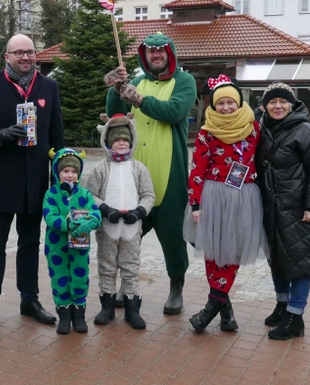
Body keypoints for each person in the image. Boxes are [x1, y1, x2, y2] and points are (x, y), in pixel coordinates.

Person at [0, 34, 65, 331]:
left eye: (30, 52)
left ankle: (30, 299)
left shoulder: (48, 86)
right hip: (1, 179)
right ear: (7, 56)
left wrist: (60, 177)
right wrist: (0, 135)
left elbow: (57, 135)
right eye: (19, 53)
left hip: (34, 182)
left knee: (29, 243)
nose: (26, 58)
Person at [104, 33, 197, 316]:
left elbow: (174, 111)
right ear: (144, 56)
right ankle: (126, 283)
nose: (156, 56)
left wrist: (140, 99)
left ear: (170, 53)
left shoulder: (184, 81)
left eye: (161, 51)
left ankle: (176, 287)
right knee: (127, 235)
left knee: (172, 235)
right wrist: (116, 89)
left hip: (169, 171)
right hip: (134, 174)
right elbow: (115, 116)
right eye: (150, 52)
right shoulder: (137, 81)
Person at [183, 75, 267, 333]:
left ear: (240, 103)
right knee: (215, 253)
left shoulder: (255, 129)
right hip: (214, 197)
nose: (226, 107)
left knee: (233, 252)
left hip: (244, 196)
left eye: (231, 102)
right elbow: (197, 170)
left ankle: (213, 306)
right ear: (214, 106)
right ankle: (225, 311)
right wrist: (196, 204)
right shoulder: (207, 133)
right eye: (221, 103)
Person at [255, 82, 310, 341]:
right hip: (270, 208)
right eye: (272, 101)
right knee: (278, 260)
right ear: (264, 105)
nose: (277, 106)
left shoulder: (304, 130)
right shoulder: (261, 127)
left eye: (282, 101)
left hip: (297, 209)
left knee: (299, 262)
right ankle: (282, 305)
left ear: (292, 104)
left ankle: (295, 316)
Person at [81, 113, 155, 330]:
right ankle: (107, 307)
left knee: (131, 267)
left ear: (131, 141)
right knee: (106, 266)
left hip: (131, 227)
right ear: (107, 141)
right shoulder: (100, 168)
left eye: (125, 139)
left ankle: (133, 310)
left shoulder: (139, 168)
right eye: (116, 140)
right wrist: (104, 209)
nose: (121, 143)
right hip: (108, 226)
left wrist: (140, 212)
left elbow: (149, 195)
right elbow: (90, 195)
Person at [42, 148, 101, 334]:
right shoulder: (51, 194)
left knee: (80, 278)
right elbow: (50, 216)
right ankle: (64, 316)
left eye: (74, 172)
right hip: (56, 246)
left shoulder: (84, 194)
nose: (70, 175)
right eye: (66, 171)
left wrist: (90, 221)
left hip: (80, 247)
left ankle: (79, 316)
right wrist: (68, 222)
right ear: (57, 172)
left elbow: (95, 212)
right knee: (59, 279)